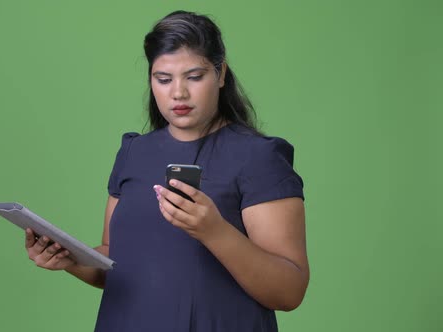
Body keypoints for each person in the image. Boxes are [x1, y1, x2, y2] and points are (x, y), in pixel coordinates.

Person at [24, 10, 309, 332]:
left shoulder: (258, 157)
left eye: (194, 76)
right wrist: (70, 259)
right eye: (163, 79)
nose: (178, 93)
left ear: (221, 74)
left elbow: (289, 291)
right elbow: (115, 263)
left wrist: (214, 231)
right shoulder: (134, 152)